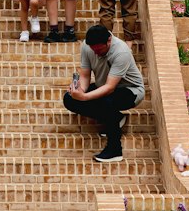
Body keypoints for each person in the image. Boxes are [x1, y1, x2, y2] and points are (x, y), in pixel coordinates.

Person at [62, 22, 145, 163]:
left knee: (108, 101)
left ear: (109, 40)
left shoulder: (121, 52)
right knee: (69, 99)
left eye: (99, 50)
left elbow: (110, 87)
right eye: (93, 50)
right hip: (105, 88)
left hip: (131, 91)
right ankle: (116, 118)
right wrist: (79, 90)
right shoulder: (87, 47)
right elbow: (85, 75)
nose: (95, 53)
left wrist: (85, 97)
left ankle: (115, 149)